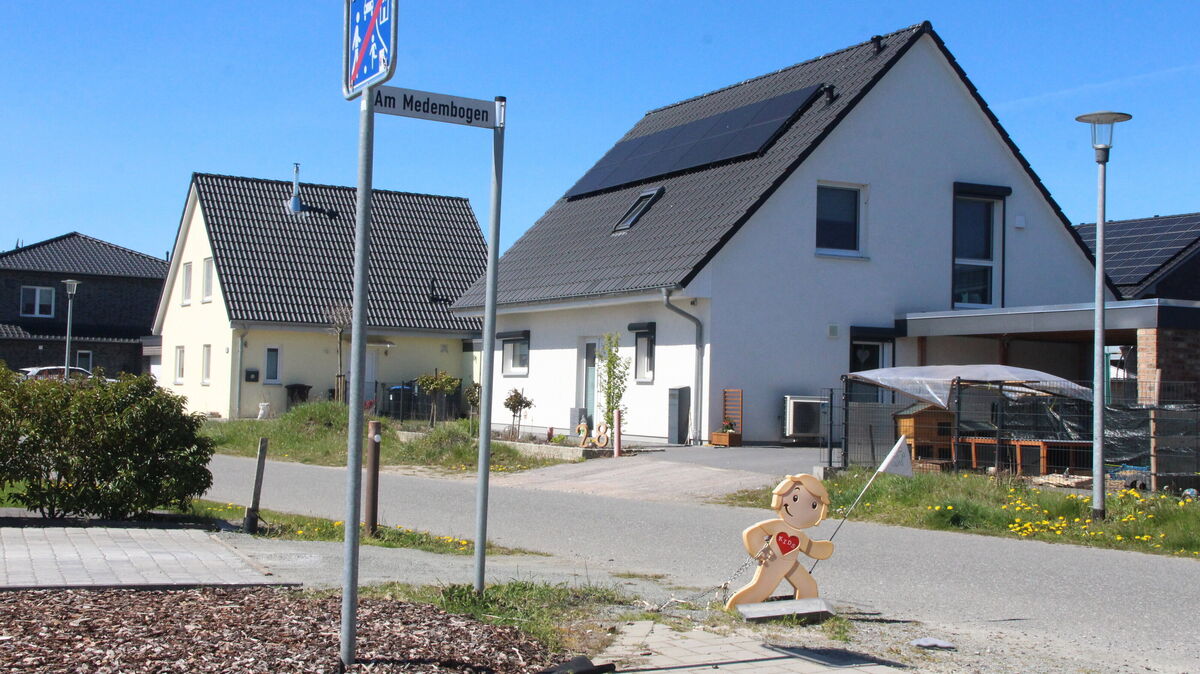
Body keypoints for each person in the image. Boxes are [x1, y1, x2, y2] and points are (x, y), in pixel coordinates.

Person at [725, 473, 833, 609]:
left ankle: (806, 607)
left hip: (791, 563)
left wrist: (825, 549)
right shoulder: (777, 526)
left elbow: (811, 547)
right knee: (762, 588)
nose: (801, 508)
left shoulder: (798, 535)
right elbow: (752, 533)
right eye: (795, 498)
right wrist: (759, 550)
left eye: (813, 505)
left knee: (807, 584)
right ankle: (737, 606)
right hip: (773, 561)